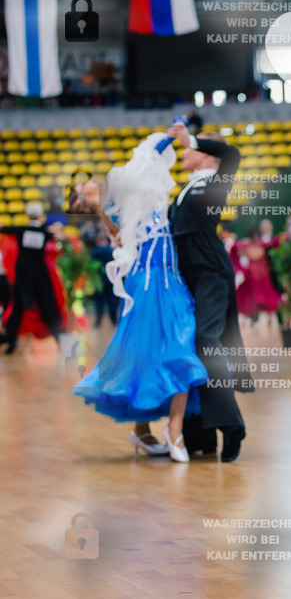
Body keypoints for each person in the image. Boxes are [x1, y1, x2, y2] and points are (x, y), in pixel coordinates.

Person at [71, 135, 207, 462]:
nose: (85, 184)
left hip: (169, 279)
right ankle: (146, 431)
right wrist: (172, 136)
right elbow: (122, 238)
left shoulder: (133, 188)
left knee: (179, 347)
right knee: (143, 354)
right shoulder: (117, 203)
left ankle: (171, 430)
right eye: (80, 192)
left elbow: (151, 156)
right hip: (146, 281)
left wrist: (173, 136)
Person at [165, 123, 251, 462]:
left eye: (190, 148)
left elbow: (231, 153)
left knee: (206, 340)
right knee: (189, 345)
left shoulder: (217, 180)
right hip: (187, 276)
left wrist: (192, 137)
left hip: (212, 273)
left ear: (205, 154)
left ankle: (232, 426)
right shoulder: (184, 189)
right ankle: (199, 435)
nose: (184, 152)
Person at [0, 202, 64, 352]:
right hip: (40, 274)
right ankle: (59, 338)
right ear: (40, 214)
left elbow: (4, 229)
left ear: (27, 214)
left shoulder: (21, 230)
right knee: (47, 306)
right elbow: (59, 240)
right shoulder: (44, 232)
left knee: (18, 308)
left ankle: (10, 338)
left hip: (23, 275)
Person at [231, 225, 283, 324]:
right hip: (259, 276)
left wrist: (240, 268)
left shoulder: (247, 244)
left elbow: (233, 252)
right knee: (261, 299)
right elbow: (276, 243)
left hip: (257, 276)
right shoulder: (255, 244)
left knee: (258, 299)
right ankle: (264, 320)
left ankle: (264, 320)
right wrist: (240, 268)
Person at [90, 233, 119, 327]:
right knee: (112, 301)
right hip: (111, 280)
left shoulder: (94, 252)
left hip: (99, 281)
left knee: (99, 302)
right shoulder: (111, 251)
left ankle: (98, 321)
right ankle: (114, 320)